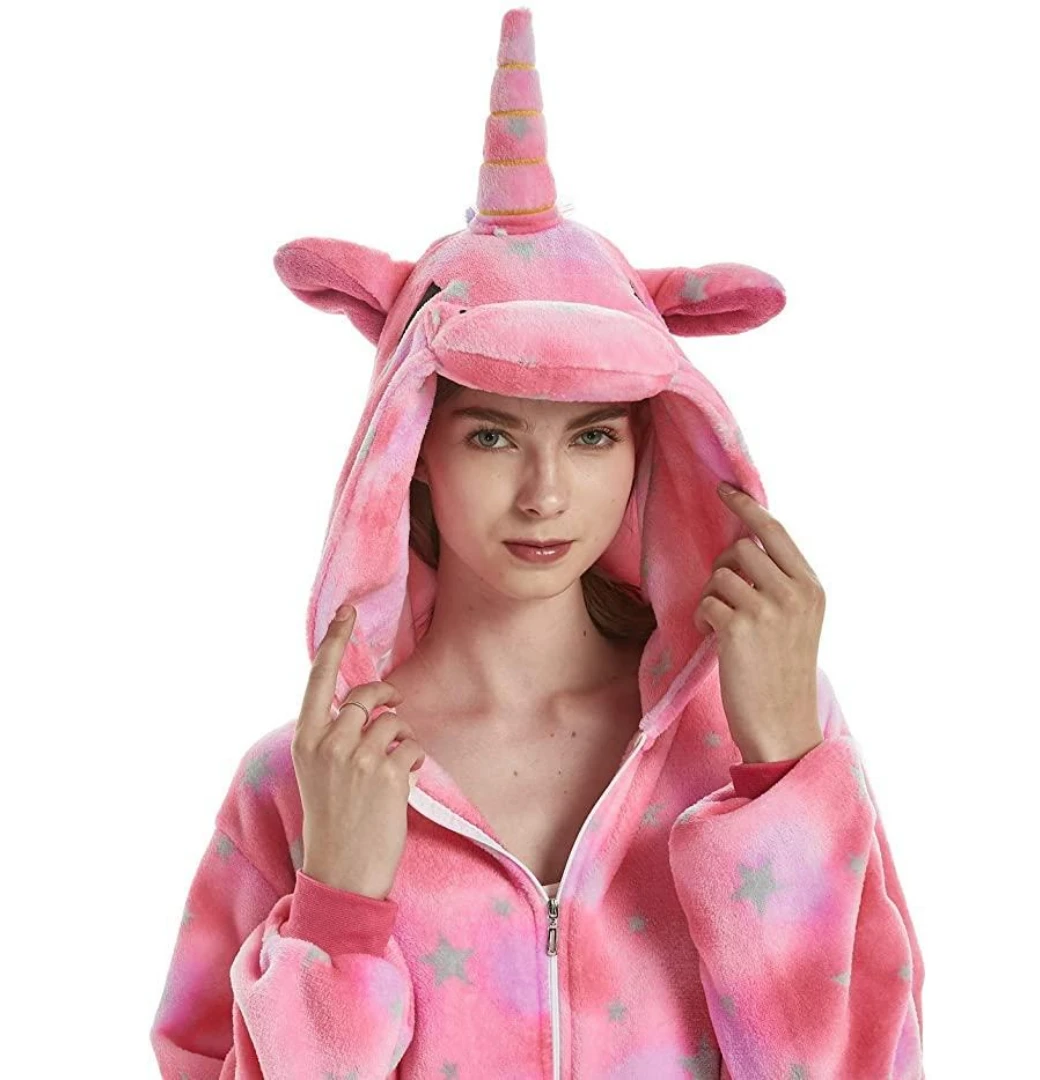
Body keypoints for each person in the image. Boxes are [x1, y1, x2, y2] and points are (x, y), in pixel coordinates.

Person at [150, 8, 926, 1078]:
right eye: (492, 434)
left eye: (593, 435)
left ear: (648, 445)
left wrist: (784, 776)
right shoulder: (306, 777)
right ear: (414, 445)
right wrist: (338, 913)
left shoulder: (755, 740)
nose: (546, 494)